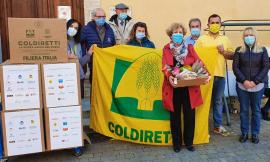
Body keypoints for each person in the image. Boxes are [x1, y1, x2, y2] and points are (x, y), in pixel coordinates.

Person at [162, 23, 205, 152]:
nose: (178, 35)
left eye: (181, 32)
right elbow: (165, 66)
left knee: (189, 116)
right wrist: (168, 75)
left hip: (189, 87)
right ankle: (177, 144)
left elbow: (198, 62)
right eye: (176, 32)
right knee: (174, 116)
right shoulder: (166, 49)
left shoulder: (190, 47)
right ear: (171, 35)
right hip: (173, 86)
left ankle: (189, 143)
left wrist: (205, 74)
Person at [196, 14, 234, 136]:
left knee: (218, 101)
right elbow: (195, 56)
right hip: (205, 75)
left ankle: (217, 126)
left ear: (220, 24)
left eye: (217, 22)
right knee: (203, 101)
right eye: (212, 23)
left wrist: (223, 52)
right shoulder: (202, 39)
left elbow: (233, 55)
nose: (215, 25)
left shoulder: (225, 39)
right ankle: (201, 126)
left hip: (220, 75)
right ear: (208, 25)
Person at [233, 27, 269, 144]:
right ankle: (244, 133)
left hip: (257, 86)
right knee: (243, 110)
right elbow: (235, 67)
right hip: (242, 85)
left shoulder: (262, 50)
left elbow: (265, 67)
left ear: (255, 36)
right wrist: (244, 81)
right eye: (246, 35)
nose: (248, 37)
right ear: (243, 37)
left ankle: (255, 134)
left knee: (256, 110)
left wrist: (255, 82)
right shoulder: (239, 50)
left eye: (251, 35)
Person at [81, 8, 116, 84]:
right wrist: (84, 60)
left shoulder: (109, 29)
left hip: (108, 65)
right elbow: (81, 46)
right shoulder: (86, 29)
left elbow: (113, 45)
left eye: (104, 17)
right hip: (94, 66)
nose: (102, 19)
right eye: (99, 17)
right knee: (95, 88)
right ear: (93, 17)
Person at [67, 19, 91, 99]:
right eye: (71, 26)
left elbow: (80, 62)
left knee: (80, 102)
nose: (73, 29)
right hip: (67, 77)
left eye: (76, 28)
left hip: (79, 77)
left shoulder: (77, 42)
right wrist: (68, 55)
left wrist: (89, 54)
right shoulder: (61, 41)